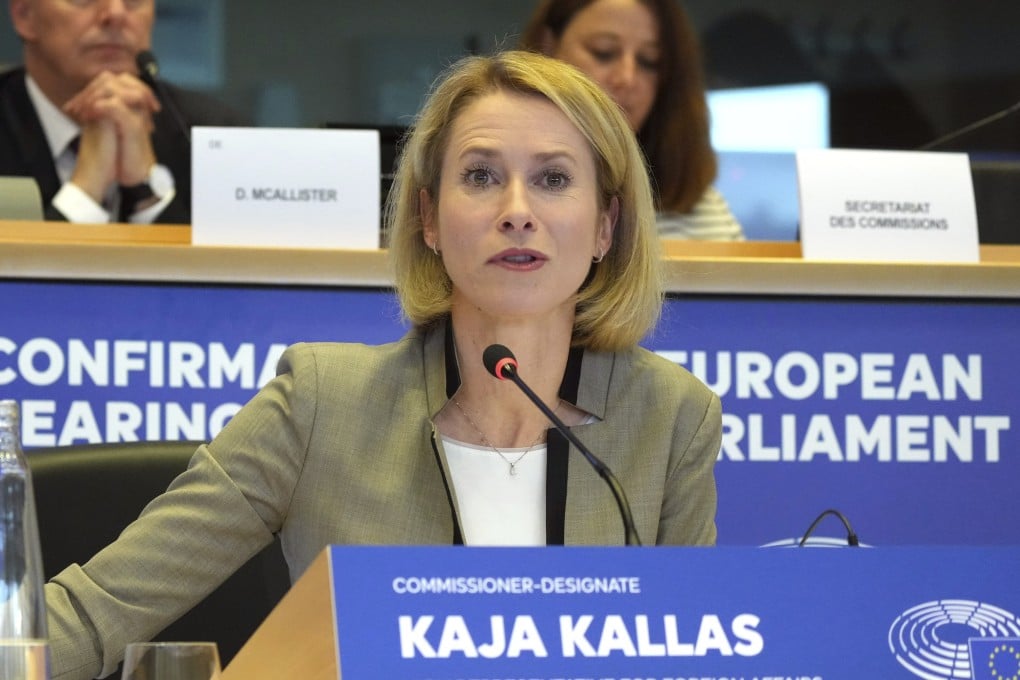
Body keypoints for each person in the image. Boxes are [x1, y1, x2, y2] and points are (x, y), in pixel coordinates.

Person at [44, 50, 721, 679]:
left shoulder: (670, 419)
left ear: (606, 225)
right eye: (481, 176)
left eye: (553, 179)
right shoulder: (320, 405)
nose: (517, 212)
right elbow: (91, 613)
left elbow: (704, 657)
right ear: (428, 217)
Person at [0, 0, 247, 224]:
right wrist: (85, 192)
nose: (116, 13)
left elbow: (234, 270)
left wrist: (148, 192)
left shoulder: (213, 137)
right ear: (25, 15)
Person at [520, 0, 745, 240]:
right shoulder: (503, 189)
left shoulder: (703, 211)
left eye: (649, 61)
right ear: (547, 48)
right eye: (603, 52)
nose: (627, 77)